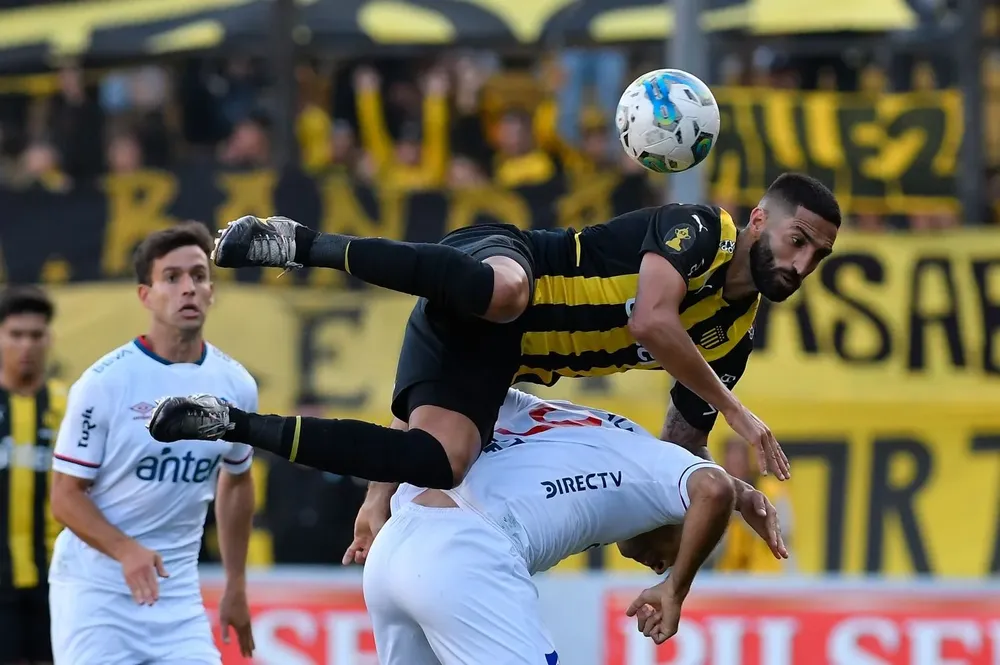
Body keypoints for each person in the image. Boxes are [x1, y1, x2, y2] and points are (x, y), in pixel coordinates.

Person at [155, 173, 838, 532]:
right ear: (758, 219)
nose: (802, 263)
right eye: (797, 240)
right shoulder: (703, 228)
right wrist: (742, 414)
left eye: (818, 255)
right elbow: (652, 323)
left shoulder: (732, 336)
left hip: (480, 353)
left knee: (442, 461)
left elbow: (677, 452)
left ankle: (227, 422)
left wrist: (706, 506)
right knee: (509, 292)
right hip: (497, 259)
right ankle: (301, 244)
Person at [153, 388, 785, 662]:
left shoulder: (582, 422)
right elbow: (706, 487)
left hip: (397, 547)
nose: (646, 561)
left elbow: (429, 400)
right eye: (664, 552)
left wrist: (377, 498)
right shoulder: (659, 471)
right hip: (466, 558)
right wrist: (676, 583)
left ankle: (241, 422)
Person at [47, 223, 258, 665]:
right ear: (146, 295)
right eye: (172, 277)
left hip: (176, 595)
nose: (188, 289)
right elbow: (65, 496)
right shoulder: (103, 383)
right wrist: (126, 551)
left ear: (212, 290)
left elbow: (237, 481)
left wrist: (236, 584)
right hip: (96, 593)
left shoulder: (236, 384)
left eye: (199, 276)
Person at [0, 287, 65, 665]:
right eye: (16, 334)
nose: (26, 345)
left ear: (50, 339)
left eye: (36, 335)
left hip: (55, 583)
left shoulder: (69, 406)